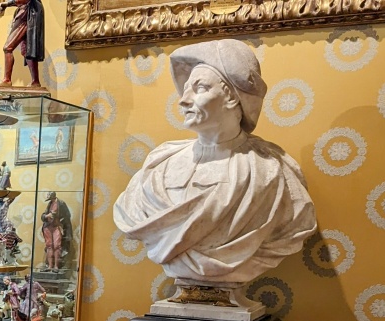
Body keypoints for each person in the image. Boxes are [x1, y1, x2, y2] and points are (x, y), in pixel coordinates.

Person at [113, 39, 317, 301]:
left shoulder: (270, 170)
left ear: (233, 97)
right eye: (185, 89)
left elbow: (292, 228)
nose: (183, 101)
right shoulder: (159, 164)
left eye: (199, 88)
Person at [0, 0, 45, 88]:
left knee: (8, 48)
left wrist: (7, 3)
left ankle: (7, 80)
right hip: (27, 14)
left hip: (27, 14)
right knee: (27, 51)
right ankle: (35, 81)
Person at [39, 191, 72, 270]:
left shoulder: (61, 203)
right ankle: (50, 266)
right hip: (48, 226)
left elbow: (67, 215)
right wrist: (47, 216)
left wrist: (60, 221)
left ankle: (56, 266)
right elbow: (43, 215)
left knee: (57, 246)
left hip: (57, 226)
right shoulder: (49, 204)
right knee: (49, 246)